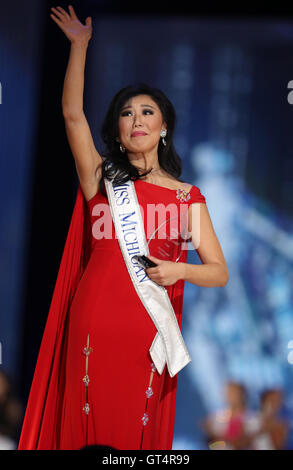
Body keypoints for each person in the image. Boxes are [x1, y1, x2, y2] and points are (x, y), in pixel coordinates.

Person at [18, 5, 229, 450]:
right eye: (127, 114)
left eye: (147, 112)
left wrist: (178, 271)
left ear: (163, 127)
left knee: (133, 432)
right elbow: (73, 115)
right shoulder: (100, 176)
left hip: (146, 326)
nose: (137, 120)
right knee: (85, 426)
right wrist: (79, 47)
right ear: (116, 132)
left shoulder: (186, 196)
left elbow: (218, 271)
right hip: (93, 315)